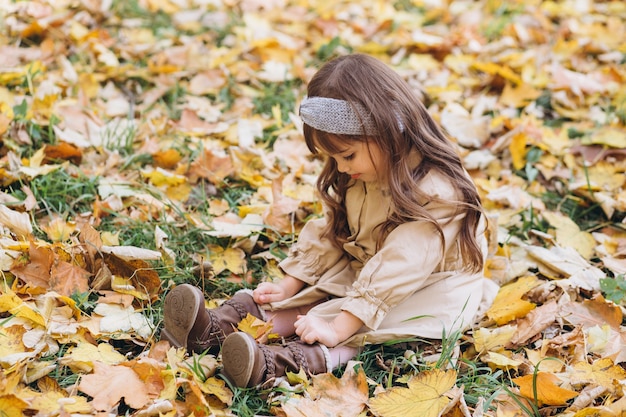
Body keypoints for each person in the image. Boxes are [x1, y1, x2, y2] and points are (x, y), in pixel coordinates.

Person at [161, 53, 496, 388]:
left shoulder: (437, 194)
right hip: (370, 268)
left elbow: (399, 266)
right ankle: (218, 329)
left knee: (351, 322)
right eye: (332, 157)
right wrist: (290, 284)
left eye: (346, 155)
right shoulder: (364, 168)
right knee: (311, 299)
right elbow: (331, 230)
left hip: (431, 290)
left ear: (387, 131)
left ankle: (284, 363)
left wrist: (337, 329)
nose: (340, 166)